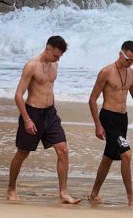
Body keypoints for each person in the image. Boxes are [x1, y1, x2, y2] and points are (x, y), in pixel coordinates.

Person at [7, 35, 80, 204]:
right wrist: (27, 120)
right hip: (32, 113)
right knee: (22, 153)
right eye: (55, 55)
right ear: (47, 48)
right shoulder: (32, 66)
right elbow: (18, 95)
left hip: (50, 114)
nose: (58, 59)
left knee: (63, 150)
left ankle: (63, 193)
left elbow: (49, 88)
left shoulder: (54, 63)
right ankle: (11, 188)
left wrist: (52, 108)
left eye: (60, 56)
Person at [88, 40, 133, 205]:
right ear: (121, 54)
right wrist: (98, 124)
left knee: (108, 158)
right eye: (128, 59)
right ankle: (131, 197)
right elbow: (92, 99)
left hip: (122, 119)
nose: (130, 63)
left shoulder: (131, 73)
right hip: (108, 118)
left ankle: (94, 193)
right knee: (126, 154)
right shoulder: (106, 72)